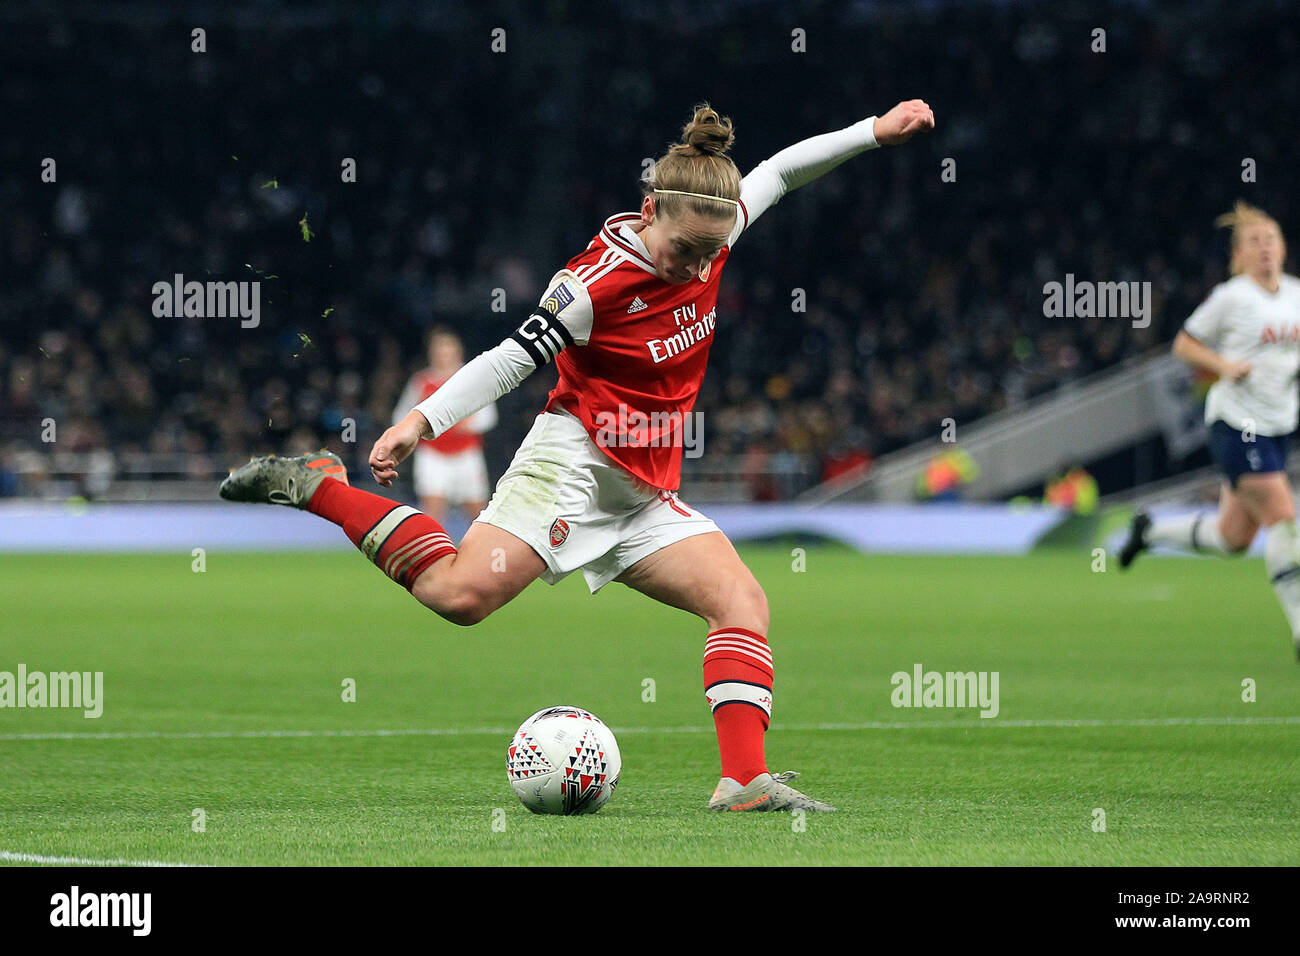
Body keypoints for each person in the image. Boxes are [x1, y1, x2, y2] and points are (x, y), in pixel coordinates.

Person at [221, 99, 936, 810]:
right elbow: (509, 360)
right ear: (651, 207)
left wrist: (873, 132)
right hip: (573, 465)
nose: (697, 268)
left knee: (741, 601)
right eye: (686, 250)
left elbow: (780, 171)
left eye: (712, 254)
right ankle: (320, 486)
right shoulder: (592, 286)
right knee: (458, 597)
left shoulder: (713, 221)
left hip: (644, 488)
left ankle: (744, 782)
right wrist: (421, 420)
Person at [1120, 202, 1300, 658]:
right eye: (1253, 242)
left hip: (1279, 425)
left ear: (1283, 248)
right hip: (1237, 423)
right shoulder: (1232, 297)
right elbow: (1184, 343)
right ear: (1239, 255)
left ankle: (1150, 534)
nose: (1264, 248)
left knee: (1234, 538)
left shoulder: (1297, 295)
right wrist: (1224, 365)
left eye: (1270, 239)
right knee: (1283, 513)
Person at [392, 327, 497, 522]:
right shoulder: (422, 381)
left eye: (448, 350)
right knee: (433, 511)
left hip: (467, 454)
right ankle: (436, 551)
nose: (444, 356)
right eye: (440, 351)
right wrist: (417, 430)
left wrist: (464, 424)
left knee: (477, 513)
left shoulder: (471, 377)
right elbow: (402, 415)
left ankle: (479, 552)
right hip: (432, 455)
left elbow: (488, 416)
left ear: (458, 352)